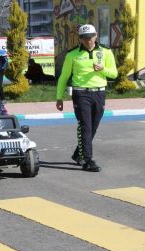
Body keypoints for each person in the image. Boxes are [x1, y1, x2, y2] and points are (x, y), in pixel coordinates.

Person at [56, 24, 117, 172]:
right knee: (85, 126)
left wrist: (103, 69)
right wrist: (59, 98)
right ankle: (88, 160)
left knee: (93, 127)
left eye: (90, 37)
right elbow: (64, 77)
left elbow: (114, 74)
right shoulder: (72, 55)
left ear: (96, 36)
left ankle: (78, 154)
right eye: (84, 38)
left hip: (99, 93)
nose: (88, 40)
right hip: (80, 93)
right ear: (80, 39)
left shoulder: (106, 52)